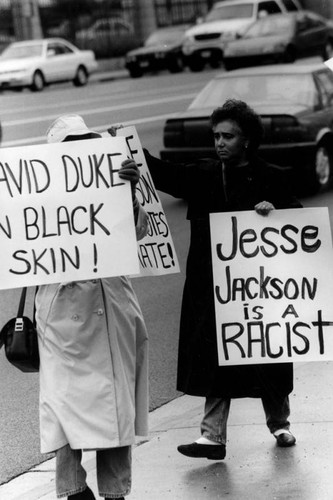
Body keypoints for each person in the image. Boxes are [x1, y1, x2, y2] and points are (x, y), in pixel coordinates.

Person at [113, 99, 301, 461]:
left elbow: (297, 222)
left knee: (269, 351)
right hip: (215, 288)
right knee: (221, 357)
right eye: (215, 136)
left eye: (227, 136)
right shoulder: (204, 174)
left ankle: (280, 423)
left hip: (262, 290)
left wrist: (273, 213)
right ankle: (212, 437)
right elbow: (165, 174)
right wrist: (129, 149)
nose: (219, 143)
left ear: (247, 140)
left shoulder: (271, 177)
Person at [35, 114, 149, 500]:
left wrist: (128, 193)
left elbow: (134, 235)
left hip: (110, 303)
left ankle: (115, 491)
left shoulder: (112, 181)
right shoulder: (38, 195)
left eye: (86, 141)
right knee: (64, 407)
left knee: (116, 404)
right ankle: (73, 489)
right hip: (63, 311)